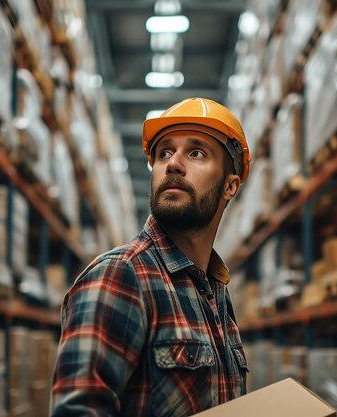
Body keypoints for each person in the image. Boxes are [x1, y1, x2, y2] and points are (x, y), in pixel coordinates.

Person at [51, 97, 252, 417]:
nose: (173, 163)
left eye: (196, 152)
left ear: (230, 186)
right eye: (164, 153)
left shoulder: (215, 292)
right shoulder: (119, 276)